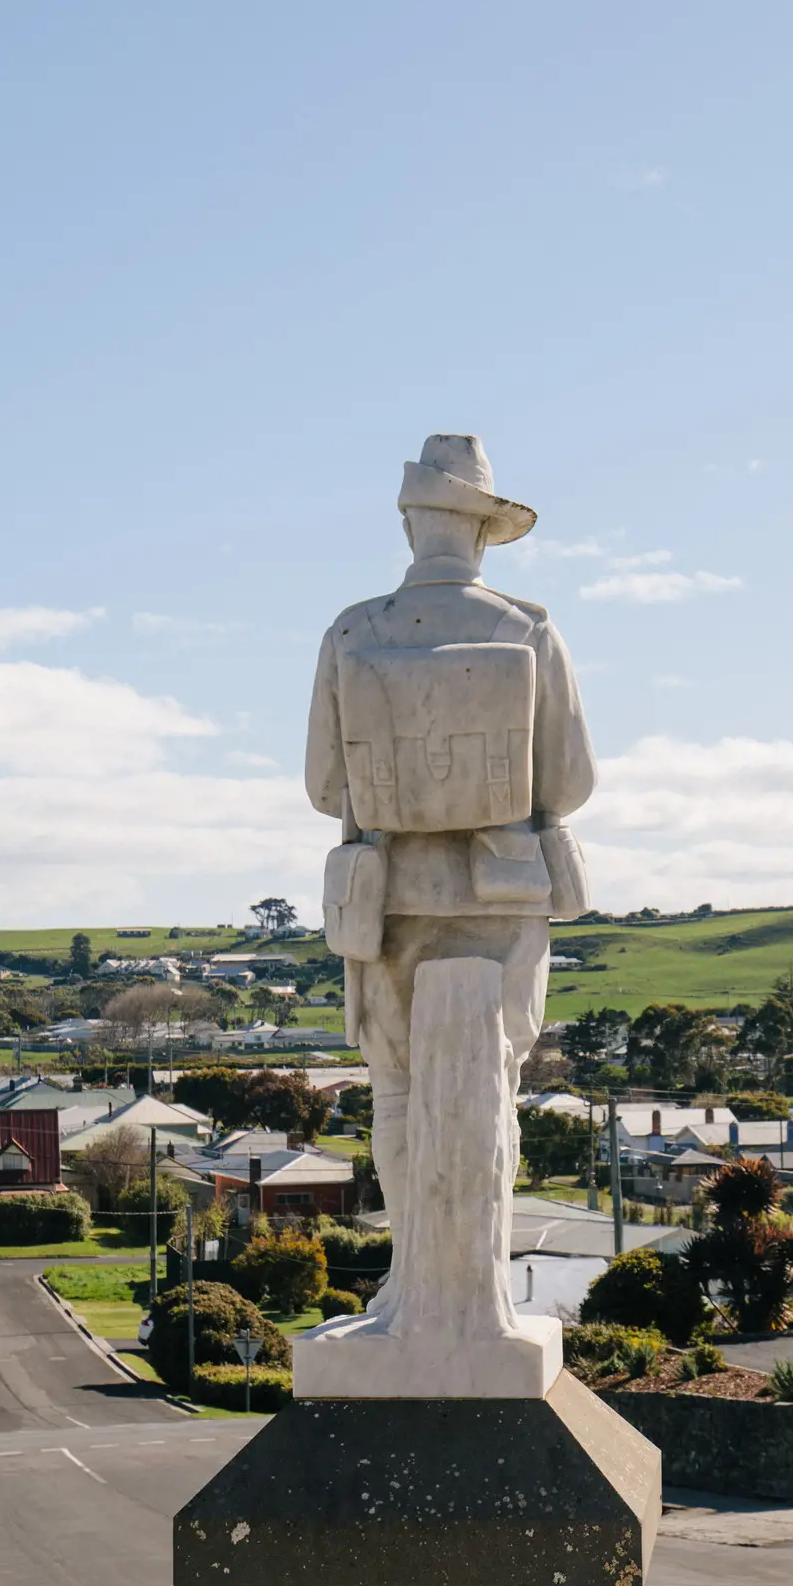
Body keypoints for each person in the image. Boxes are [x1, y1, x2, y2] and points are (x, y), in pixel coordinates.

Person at [296, 434, 593, 1395]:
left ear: (412, 519)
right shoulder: (529, 628)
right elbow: (571, 780)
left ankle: (408, 1283)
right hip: (502, 895)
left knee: (396, 1090)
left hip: (388, 898)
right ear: (480, 528)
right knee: (489, 1094)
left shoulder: (353, 631)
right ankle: (480, 1296)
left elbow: (321, 783)